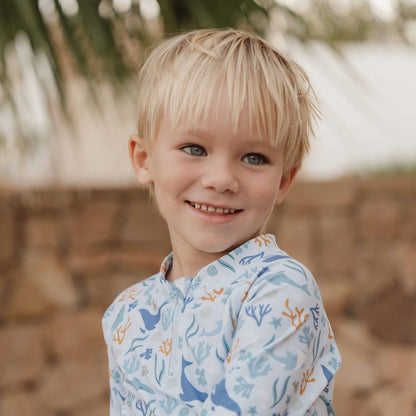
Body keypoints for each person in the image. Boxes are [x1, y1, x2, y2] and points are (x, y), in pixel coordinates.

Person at [102, 28, 341, 416]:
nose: (221, 179)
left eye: (253, 157)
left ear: (284, 180)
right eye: (194, 148)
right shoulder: (125, 314)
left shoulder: (279, 291)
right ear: (144, 159)